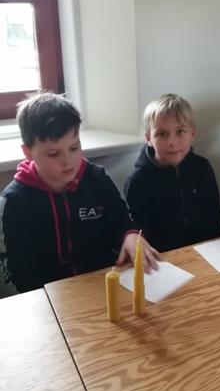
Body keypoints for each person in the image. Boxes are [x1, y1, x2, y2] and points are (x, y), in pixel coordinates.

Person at [0, 92, 160, 294]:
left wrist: (131, 235)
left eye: (74, 148)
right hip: (50, 297)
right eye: (53, 154)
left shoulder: (98, 179)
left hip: (104, 285)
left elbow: (123, 222)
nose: (67, 161)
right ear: (28, 153)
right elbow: (20, 272)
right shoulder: (15, 201)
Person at [125, 94, 220, 252]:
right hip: (162, 258)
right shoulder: (137, 181)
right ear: (149, 138)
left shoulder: (202, 168)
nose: (172, 142)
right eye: (162, 134)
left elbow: (213, 219)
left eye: (180, 132)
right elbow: (139, 236)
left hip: (206, 253)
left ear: (192, 134)